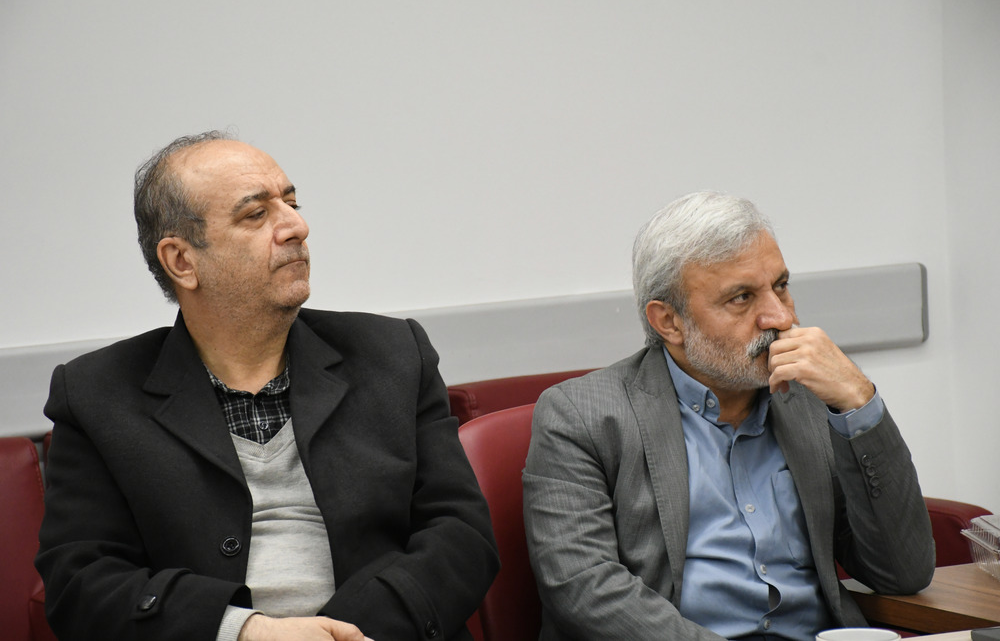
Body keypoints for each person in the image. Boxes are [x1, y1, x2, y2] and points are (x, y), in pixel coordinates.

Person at [36, 131, 499, 641]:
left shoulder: (392, 354)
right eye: (256, 214)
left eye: (292, 204)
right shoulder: (97, 394)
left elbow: (462, 536)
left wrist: (348, 633)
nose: (297, 226)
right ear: (182, 261)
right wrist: (242, 631)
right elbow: (82, 584)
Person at [522, 191, 935, 640]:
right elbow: (584, 588)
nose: (779, 317)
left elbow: (903, 572)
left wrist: (857, 402)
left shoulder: (814, 398)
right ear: (669, 322)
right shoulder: (582, 416)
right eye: (741, 297)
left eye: (781, 285)